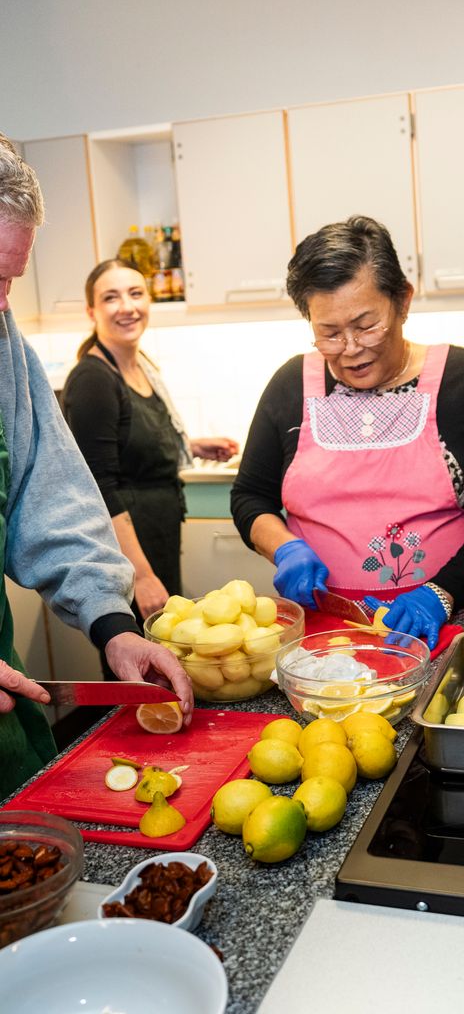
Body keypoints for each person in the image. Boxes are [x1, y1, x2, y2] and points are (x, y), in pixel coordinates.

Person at [230, 215, 464, 649]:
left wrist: (441, 594)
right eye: (328, 333)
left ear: (403, 302)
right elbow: (249, 496)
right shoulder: (290, 384)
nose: (350, 350)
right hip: (324, 631)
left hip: (448, 623)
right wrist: (283, 548)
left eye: (366, 325)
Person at [0, 133, 193, 799]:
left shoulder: (6, 352)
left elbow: (49, 502)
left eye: (9, 281)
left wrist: (112, 624)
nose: (1, 305)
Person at [63, 259, 238, 631]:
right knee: (137, 666)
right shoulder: (93, 379)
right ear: (91, 311)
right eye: (111, 297)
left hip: (156, 539)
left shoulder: (140, 365)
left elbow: (129, 443)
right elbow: (101, 486)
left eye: (135, 293)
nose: (127, 306)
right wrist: (139, 576)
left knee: (163, 654)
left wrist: (190, 445)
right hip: (127, 557)